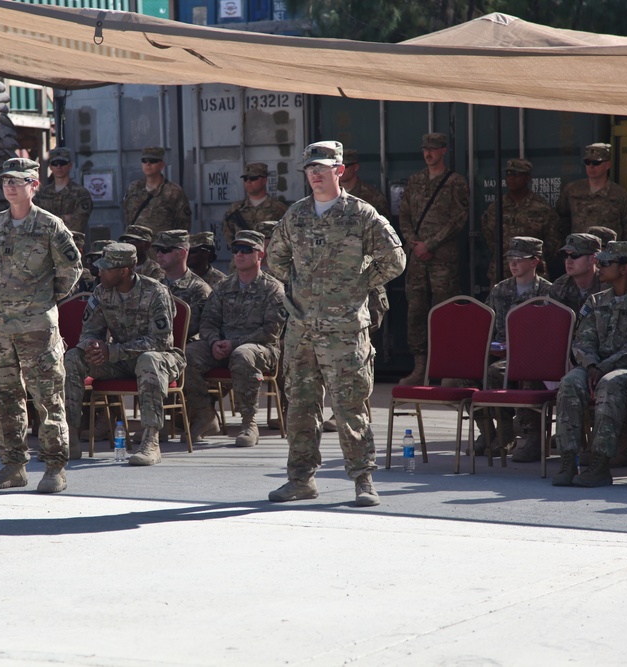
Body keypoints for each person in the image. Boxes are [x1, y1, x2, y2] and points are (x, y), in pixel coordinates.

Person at [266, 141, 406, 507]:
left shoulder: (360, 214)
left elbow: (394, 259)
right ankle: (300, 479)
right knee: (300, 407)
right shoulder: (295, 215)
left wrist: (359, 282)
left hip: (344, 331)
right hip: (301, 331)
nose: (315, 174)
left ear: (339, 171)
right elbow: (275, 259)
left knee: (350, 407)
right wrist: (301, 287)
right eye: (310, 169)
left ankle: (363, 480)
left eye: (323, 168)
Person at [0, 157, 82, 492]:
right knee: (3, 396)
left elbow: (71, 270)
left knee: (47, 396)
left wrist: (41, 300)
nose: (10, 186)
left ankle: (54, 468)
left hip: (37, 327)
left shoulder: (50, 225)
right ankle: (12, 466)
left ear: (34, 185)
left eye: (18, 181)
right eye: (6, 180)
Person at [551, 241, 627, 487]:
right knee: (569, 383)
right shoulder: (595, 301)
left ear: (625, 268)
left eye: (605, 263)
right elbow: (583, 341)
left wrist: (603, 368)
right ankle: (569, 459)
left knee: (610, 385)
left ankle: (600, 464)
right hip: (594, 367)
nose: (599, 267)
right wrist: (591, 365)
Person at [64, 243, 185, 466]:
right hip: (118, 360)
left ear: (125, 271)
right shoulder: (101, 292)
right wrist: (92, 348)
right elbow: (89, 331)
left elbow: (160, 341)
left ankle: (151, 441)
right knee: (73, 357)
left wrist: (112, 351)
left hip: (161, 359)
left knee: (149, 360)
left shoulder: (156, 292)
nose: (100, 271)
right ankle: (69, 436)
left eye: (107, 268)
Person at [185, 230, 286, 447]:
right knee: (186, 355)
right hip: (222, 346)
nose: (239, 255)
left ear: (260, 255)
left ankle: (249, 423)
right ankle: (205, 414)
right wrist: (213, 342)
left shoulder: (273, 289)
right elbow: (208, 322)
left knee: (243, 355)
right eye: (236, 250)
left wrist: (234, 344)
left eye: (246, 250)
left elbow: (270, 330)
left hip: (261, 348)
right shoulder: (223, 287)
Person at [398, 132, 469, 386]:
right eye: (425, 149)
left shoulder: (455, 182)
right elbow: (403, 214)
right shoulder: (415, 181)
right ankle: (421, 368)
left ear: (443, 151)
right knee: (416, 312)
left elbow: (458, 219)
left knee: (445, 312)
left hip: (443, 260)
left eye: (434, 149)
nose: (428, 153)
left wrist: (431, 243)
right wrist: (414, 243)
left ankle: (449, 368)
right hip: (417, 258)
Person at [474, 237, 553, 462]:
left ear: (534, 262)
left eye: (520, 259)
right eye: (511, 258)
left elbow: (552, 333)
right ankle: (491, 432)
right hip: (503, 354)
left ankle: (530, 436)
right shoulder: (501, 289)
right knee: (466, 375)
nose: (514, 263)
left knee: (501, 374)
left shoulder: (548, 292)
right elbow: (487, 325)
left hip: (534, 356)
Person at [481, 158, 558, 285]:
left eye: (517, 174)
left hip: (533, 273)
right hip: (502, 272)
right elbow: (489, 237)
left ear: (527, 178)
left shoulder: (541, 208)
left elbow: (552, 243)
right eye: (509, 174)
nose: (511, 178)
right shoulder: (496, 208)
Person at [556, 143, 627, 240]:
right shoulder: (572, 190)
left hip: (608, 252)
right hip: (579, 252)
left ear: (608, 165)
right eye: (587, 162)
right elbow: (561, 220)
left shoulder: (620, 195)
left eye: (596, 163)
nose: (591, 166)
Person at [153, 230, 212, 340]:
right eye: (157, 249)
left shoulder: (199, 290)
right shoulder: (154, 285)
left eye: (165, 250)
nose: (159, 254)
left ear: (181, 253)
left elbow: (206, 328)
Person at [122, 146, 192, 235]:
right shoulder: (133, 188)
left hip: (161, 247)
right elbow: (127, 217)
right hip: (136, 246)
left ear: (162, 165)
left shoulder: (173, 192)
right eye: (144, 161)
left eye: (152, 161)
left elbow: (184, 225)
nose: (148, 164)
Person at [222, 163, 288, 246]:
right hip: (243, 254)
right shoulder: (235, 209)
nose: (248, 181)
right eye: (245, 179)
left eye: (253, 178)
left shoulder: (279, 208)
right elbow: (228, 233)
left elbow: (287, 235)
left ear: (264, 180)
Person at [35, 146, 93, 235]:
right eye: (55, 163)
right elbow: (36, 223)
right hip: (45, 246)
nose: (59, 166)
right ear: (50, 166)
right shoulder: (42, 194)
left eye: (63, 162)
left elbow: (77, 226)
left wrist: (48, 220)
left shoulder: (81, 194)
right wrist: (65, 218)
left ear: (70, 165)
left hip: (72, 245)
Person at [548, 233, 603, 317]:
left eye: (575, 255)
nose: (568, 260)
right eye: (566, 255)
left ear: (593, 258)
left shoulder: (608, 287)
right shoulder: (559, 286)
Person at [340, 148, 390, 218]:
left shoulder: (373, 197)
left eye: (345, 166)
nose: (340, 170)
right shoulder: (327, 195)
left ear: (356, 167)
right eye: (337, 166)